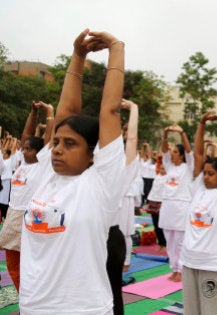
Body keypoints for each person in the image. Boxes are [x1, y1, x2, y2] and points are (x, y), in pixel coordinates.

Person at [19, 29, 126, 314]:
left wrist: (116, 48)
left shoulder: (100, 183)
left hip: (84, 308)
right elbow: (66, 110)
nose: (56, 149)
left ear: (93, 154)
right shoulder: (45, 174)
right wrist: (78, 56)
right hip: (34, 307)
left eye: (69, 144)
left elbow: (110, 112)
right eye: (55, 142)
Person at [180, 112, 217, 314]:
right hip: (189, 261)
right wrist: (202, 123)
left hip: (213, 265)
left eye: (211, 173)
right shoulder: (198, 190)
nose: (205, 177)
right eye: (204, 173)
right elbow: (197, 155)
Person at [0, 101, 54, 292]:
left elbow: (48, 139)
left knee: (30, 265)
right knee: (13, 266)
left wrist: (49, 112)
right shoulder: (23, 162)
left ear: (39, 152)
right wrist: (33, 112)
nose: (23, 150)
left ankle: (34, 298)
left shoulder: (42, 165)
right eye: (24, 148)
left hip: (29, 218)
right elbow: (25, 136)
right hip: (13, 216)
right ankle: (26, 299)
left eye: (28, 148)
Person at [105, 99, 139, 315]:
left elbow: (132, 140)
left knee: (112, 294)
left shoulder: (122, 173)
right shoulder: (86, 172)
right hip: (88, 236)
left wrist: (134, 110)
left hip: (110, 240)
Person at [159, 124, 194, 282]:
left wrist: (182, 133)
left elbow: (189, 151)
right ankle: (174, 268)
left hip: (181, 206)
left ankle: (181, 269)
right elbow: (164, 150)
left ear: (180, 155)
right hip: (167, 205)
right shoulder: (169, 166)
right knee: (169, 240)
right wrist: (165, 134)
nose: (171, 154)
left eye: (174, 152)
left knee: (180, 241)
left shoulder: (188, 168)